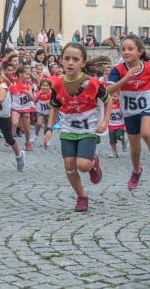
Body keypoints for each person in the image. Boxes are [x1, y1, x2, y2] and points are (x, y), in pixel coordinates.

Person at [43, 43, 110, 212]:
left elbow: (108, 100)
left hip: (88, 130)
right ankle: (82, 196)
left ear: (82, 62)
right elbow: (54, 107)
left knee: (83, 165)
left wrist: (105, 121)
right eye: (67, 59)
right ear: (61, 61)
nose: (70, 63)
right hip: (67, 129)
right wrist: (49, 129)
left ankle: (93, 162)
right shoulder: (57, 84)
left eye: (75, 59)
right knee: (69, 165)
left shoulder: (92, 83)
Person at [108, 34, 150, 188]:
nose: (126, 52)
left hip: (148, 107)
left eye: (130, 49)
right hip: (130, 112)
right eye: (123, 49)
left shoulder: (149, 66)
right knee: (135, 148)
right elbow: (109, 89)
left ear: (139, 52)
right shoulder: (118, 70)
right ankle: (136, 170)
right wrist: (126, 78)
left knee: (146, 132)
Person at [10, 66, 35, 151]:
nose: (28, 76)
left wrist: (27, 93)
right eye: (27, 74)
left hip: (25, 109)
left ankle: (27, 143)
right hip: (16, 108)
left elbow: (32, 98)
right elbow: (9, 93)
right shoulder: (13, 84)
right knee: (14, 123)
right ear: (20, 75)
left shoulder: (28, 85)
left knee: (27, 129)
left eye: (29, 74)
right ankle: (10, 139)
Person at [108, 92, 127, 158]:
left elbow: (125, 115)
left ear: (119, 97)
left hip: (120, 125)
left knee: (119, 136)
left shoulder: (120, 105)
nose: (113, 97)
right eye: (111, 96)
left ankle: (123, 141)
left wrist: (125, 125)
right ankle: (114, 152)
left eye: (115, 96)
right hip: (111, 125)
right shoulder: (108, 105)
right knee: (112, 140)